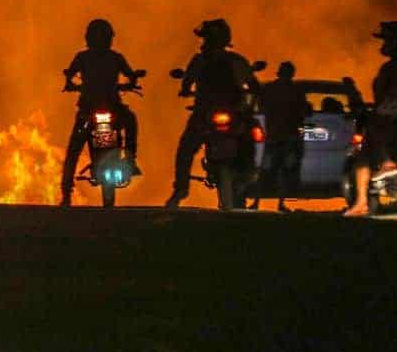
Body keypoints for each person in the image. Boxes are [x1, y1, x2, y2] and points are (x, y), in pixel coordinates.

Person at [165, 18, 259, 208]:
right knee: (252, 136)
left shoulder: (200, 61)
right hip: (228, 114)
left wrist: (185, 89)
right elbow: (253, 84)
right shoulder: (235, 61)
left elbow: (186, 84)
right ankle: (247, 176)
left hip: (207, 114)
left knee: (186, 149)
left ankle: (181, 189)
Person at [59, 18, 143, 207]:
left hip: (90, 109)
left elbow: (69, 76)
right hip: (109, 108)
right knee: (130, 121)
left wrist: (70, 84)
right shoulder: (115, 57)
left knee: (74, 149)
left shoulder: (83, 57)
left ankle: (66, 192)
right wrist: (133, 80)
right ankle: (130, 158)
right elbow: (130, 75)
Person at [344, 21, 397, 217]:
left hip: (394, 118)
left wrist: (382, 113)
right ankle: (361, 202)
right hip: (392, 116)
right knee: (363, 159)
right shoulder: (395, 67)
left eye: (387, 40)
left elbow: (395, 96)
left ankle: (386, 165)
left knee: (373, 144)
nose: (383, 45)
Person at [254, 61, 307, 213]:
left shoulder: (270, 89)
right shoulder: (296, 91)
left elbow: (261, 106)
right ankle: (280, 203)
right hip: (288, 136)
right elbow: (302, 111)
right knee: (283, 171)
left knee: (266, 170)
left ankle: (257, 202)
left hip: (274, 135)